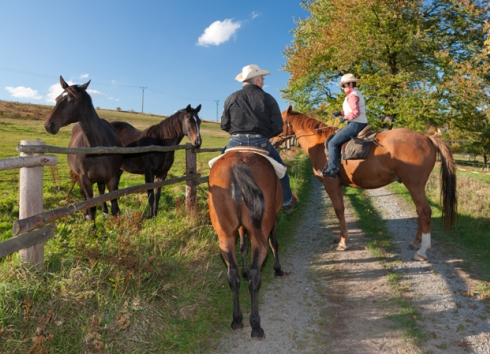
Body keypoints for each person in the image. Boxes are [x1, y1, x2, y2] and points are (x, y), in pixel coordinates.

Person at [221, 64, 298, 214]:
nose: (263, 81)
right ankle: (287, 202)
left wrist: (238, 132)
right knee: (282, 172)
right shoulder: (268, 99)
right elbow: (277, 128)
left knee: (215, 167)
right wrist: (264, 134)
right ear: (256, 80)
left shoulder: (231, 98)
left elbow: (224, 125)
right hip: (260, 143)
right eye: (262, 78)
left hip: (235, 142)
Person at [319, 73, 368, 179]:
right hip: (358, 122)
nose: (342, 88)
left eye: (344, 85)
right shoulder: (354, 94)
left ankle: (332, 170)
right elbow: (351, 110)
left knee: (332, 143)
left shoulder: (353, 95)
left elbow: (355, 112)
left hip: (355, 123)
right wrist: (340, 112)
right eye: (342, 86)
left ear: (350, 84)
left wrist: (345, 117)